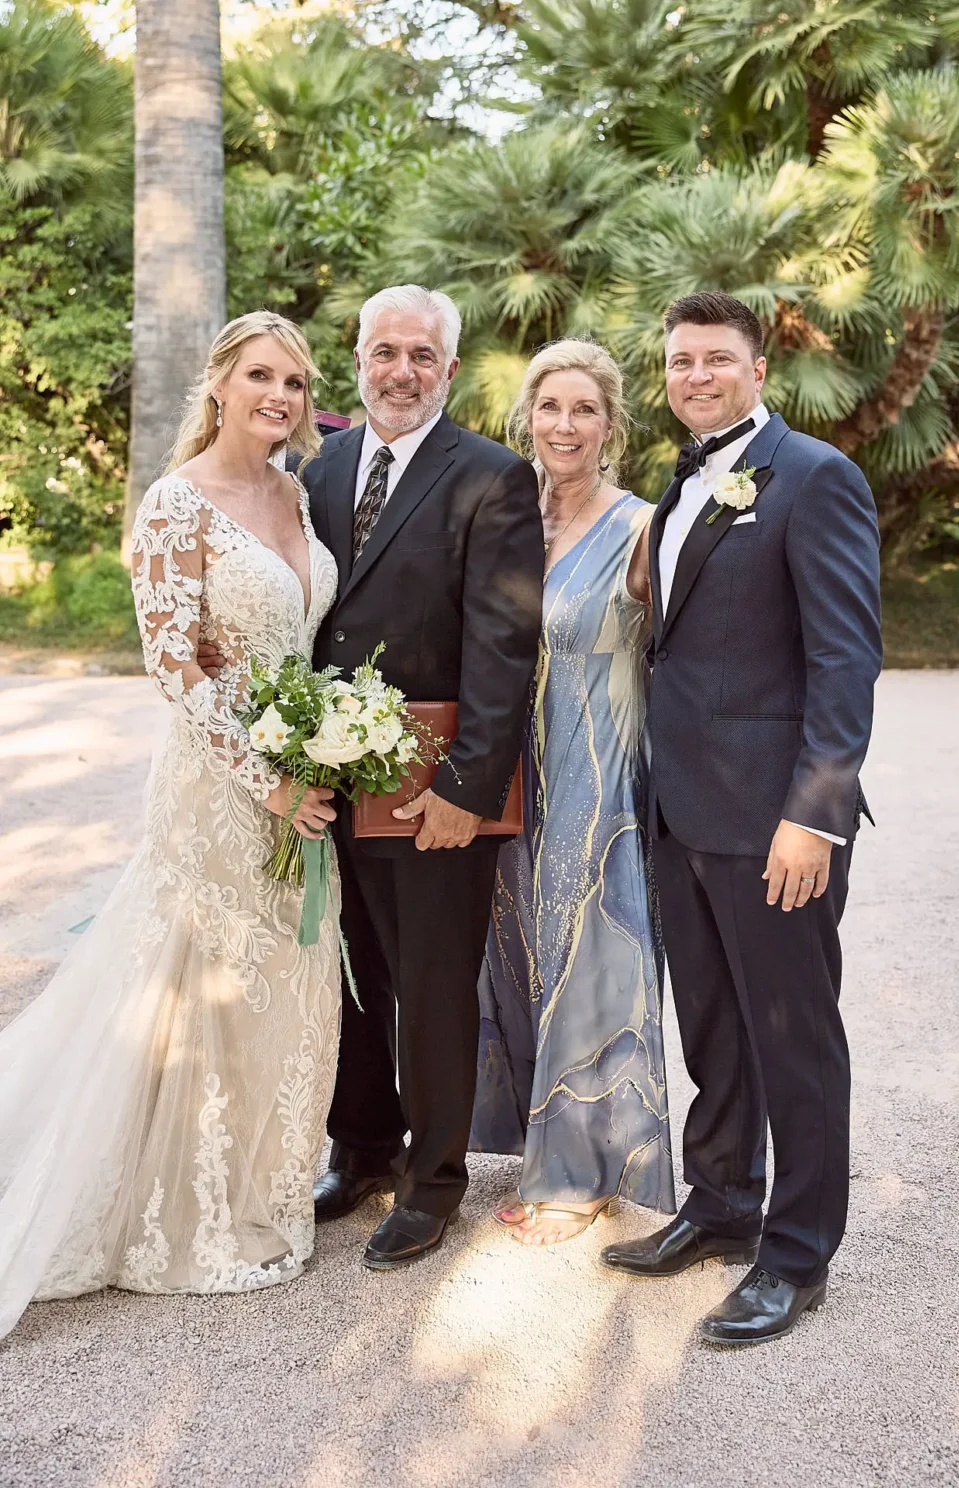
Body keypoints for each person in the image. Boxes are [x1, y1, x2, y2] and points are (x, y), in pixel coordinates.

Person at [0, 312, 343, 1340]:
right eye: (260, 376)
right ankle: (177, 1216)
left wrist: (319, 751)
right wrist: (267, 783)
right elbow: (173, 666)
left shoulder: (296, 493)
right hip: (217, 786)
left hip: (300, 775)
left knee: (282, 984)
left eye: (294, 381)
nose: (278, 395)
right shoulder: (174, 504)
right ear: (219, 384)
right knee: (195, 987)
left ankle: (259, 1194)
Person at [600, 291, 883, 1347]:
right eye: (680, 361)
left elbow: (844, 660)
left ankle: (797, 1254)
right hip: (683, 809)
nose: (696, 376)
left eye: (716, 358)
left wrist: (814, 816)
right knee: (714, 1027)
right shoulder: (680, 482)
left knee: (791, 1036)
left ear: (758, 370)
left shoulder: (813, 477)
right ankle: (721, 1203)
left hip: (774, 824)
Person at [286, 286, 543, 1269]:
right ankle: (360, 1151)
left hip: (433, 789)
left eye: (421, 355)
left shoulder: (491, 476)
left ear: (449, 368)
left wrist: (467, 793)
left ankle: (434, 1182)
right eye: (384, 352)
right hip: (331, 782)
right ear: (357, 358)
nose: (401, 371)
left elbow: (503, 649)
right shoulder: (318, 467)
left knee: (433, 987)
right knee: (349, 977)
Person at [470, 340, 675, 1245]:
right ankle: (526, 1135)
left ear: (610, 424)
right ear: (528, 417)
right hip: (508, 772)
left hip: (597, 767)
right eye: (550, 406)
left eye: (584, 409)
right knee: (511, 946)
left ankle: (583, 1166)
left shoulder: (641, 527)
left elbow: (692, 650)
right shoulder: (503, 515)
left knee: (590, 946)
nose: (565, 424)